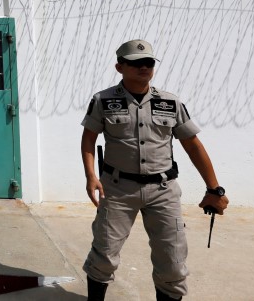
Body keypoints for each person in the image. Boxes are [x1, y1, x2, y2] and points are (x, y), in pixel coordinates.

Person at [80, 40, 229, 301]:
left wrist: (213, 188)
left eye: (148, 62)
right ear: (119, 67)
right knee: (104, 254)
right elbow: (89, 138)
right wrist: (91, 175)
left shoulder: (170, 102)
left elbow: (192, 144)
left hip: (163, 191)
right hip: (117, 189)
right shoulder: (103, 100)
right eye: (136, 63)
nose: (144, 67)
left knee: (172, 261)